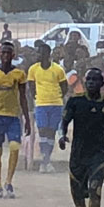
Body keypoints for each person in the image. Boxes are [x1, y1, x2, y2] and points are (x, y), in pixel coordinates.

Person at [58, 68, 104, 207]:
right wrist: (62, 135)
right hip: (78, 155)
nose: (91, 82)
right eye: (88, 79)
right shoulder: (75, 102)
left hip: (98, 155)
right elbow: (65, 121)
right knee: (77, 196)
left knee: (95, 190)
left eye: (95, 80)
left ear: (102, 84)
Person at [0, 41, 30, 198]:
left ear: (13, 55)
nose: (5, 56)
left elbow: (23, 97)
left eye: (8, 53)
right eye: (3, 53)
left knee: (15, 147)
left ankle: (9, 182)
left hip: (13, 117)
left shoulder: (19, 74)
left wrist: (27, 119)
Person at [28, 42, 67, 172]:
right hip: (41, 104)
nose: (38, 54)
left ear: (47, 53)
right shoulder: (33, 69)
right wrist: (37, 98)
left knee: (51, 132)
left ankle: (46, 160)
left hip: (56, 104)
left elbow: (64, 87)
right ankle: (45, 160)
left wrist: (57, 96)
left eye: (40, 52)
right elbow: (31, 87)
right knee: (43, 130)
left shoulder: (58, 69)